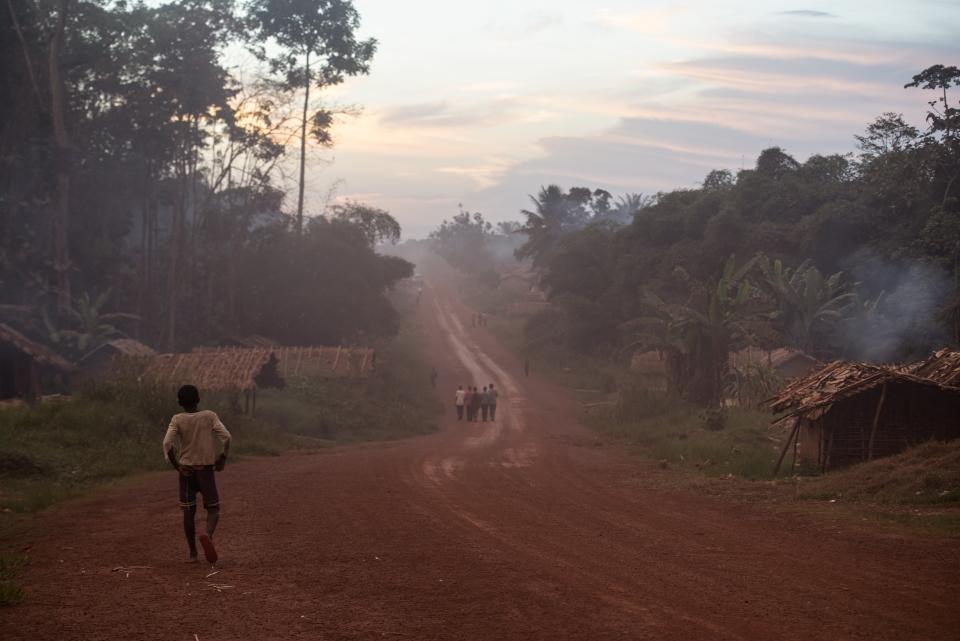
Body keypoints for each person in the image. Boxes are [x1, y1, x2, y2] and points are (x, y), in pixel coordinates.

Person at [162, 384, 231, 565]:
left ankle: (193, 553)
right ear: (198, 400)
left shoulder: (177, 419)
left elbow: (167, 443)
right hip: (205, 470)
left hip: (186, 471)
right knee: (213, 509)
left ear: (179, 403)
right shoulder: (209, 416)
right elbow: (227, 437)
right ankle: (207, 534)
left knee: (188, 512)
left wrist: (177, 466)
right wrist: (223, 456)